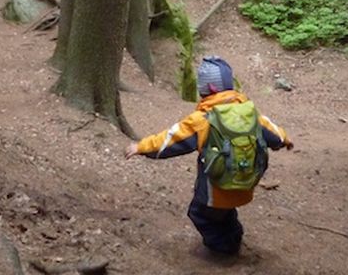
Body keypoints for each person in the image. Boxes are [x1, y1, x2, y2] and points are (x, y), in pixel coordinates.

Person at [124, 56, 293, 257]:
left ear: (208, 89)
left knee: (200, 214)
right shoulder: (250, 112)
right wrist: (285, 140)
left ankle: (223, 251)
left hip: (215, 188)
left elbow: (170, 139)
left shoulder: (202, 119)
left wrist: (141, 147)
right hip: (245, 182)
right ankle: (233, 238)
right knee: (224, 212)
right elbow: (274, 133)